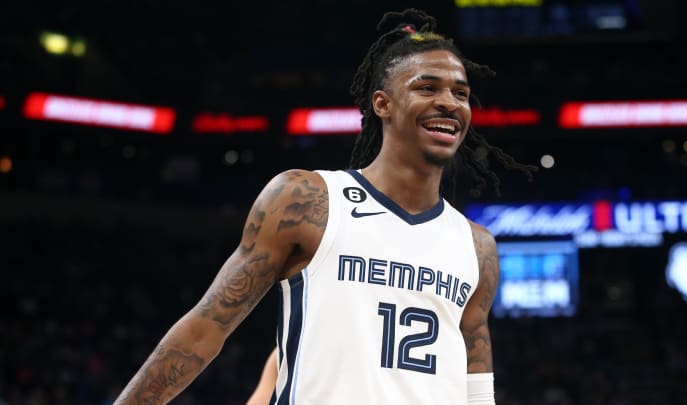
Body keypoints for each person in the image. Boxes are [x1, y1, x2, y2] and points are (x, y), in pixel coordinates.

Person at [114, 8, 535, 405]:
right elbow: (205, 328)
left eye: (460, 93)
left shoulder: (477, 246)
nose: (449, 102)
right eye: (427, 87)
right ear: (382, 104)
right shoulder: (307, 199)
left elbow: (476, 384)